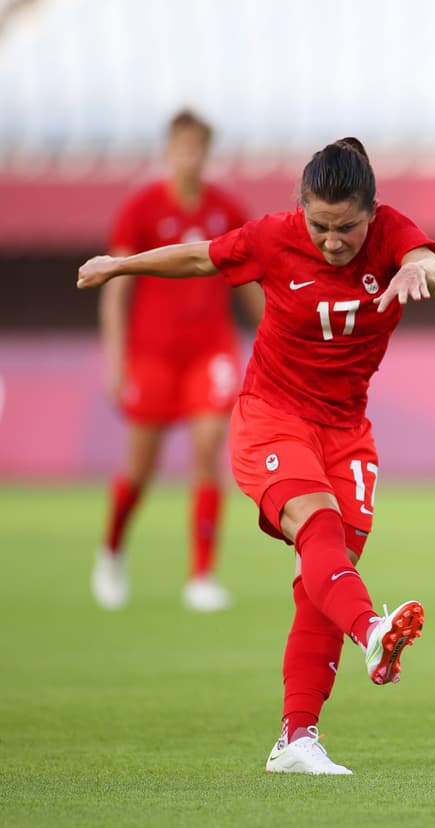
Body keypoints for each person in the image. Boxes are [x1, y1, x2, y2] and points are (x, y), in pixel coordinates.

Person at [78, 137, 435, 775]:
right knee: (323, 530)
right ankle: (372, 633)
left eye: (348, 228)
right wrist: (121, 264)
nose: (333, 241)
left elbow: (427, 264)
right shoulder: (274, 237)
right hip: (271, 417)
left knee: (322, 581)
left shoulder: (393, 234)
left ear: (373, 212)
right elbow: (199, 258)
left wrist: (419, 269)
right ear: (300, 209)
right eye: (320, 225)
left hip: (347, 429)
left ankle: (297, 740)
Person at [92, 109, 263, 613]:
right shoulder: (141, 208)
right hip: (152, 355)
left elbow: (252, 280)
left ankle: (201, 575)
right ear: (168, 150)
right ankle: (112, 550)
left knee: (210, 451)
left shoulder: (226, 208)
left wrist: (276, 332)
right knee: (140, 469)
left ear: (207, 152)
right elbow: (115, 288)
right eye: (182, 146)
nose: (190, 156)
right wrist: (115, 358)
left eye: (198, 147)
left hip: (210, 349)